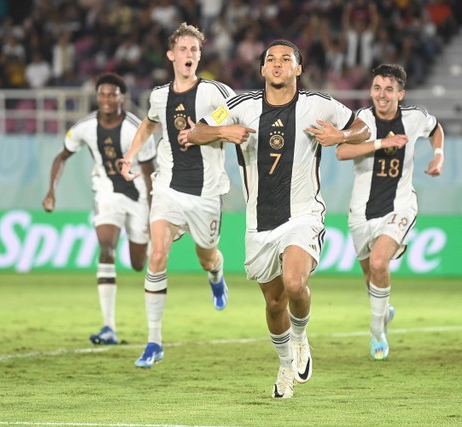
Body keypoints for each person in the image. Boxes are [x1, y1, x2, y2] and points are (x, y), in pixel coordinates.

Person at [182, 40, 370, 398]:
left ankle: (300, 340)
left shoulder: (319, 105)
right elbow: (195, 132)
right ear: (263, 70)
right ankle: (285, 364)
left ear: (298, 68)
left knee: (295, 284)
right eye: (271, 59)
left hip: (303, 215)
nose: (278, 64)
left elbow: (362, 127)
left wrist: (341, 135)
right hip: (259, 224)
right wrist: (223, 131)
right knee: (273, 303)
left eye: (286, 59)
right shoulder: (241, 106)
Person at [119, 23, 234, 369]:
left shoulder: (216, 93)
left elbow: (235, 122)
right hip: (167, 186)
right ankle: (154, 341)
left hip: (206, 194)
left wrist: (202, 133)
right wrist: (130, 155)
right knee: (157, 256)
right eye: (183, 49)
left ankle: (216, 276)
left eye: (195, 50)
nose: (189, 55)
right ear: (171, 55)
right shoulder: (159, 96)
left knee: (207, 256)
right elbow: (148, 124)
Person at [335, 63, 444, 361]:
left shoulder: (414, 118)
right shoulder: (361, 120)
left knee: (381, 262)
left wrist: (438, 155)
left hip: (400, 205)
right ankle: (382, 313)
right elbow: (341, 151)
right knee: (371, 277)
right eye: (377, 88)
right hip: (361, 211)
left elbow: (436, 130)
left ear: (400, 93)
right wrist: (382, 143)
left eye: (388, 89)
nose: (381, 95)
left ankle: (376, 331)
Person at [43, 72, 156, 346]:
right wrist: (51, 192)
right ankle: (108, 327)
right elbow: (62, 156)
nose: (106, 99)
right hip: (107, 192)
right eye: (102, 94)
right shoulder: (84, 127)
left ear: (122, 97)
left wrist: (155, 214)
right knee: (106, 248)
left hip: (139, 195)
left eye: (112, 94)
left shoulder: (136, 129)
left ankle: (147, 245)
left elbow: (150, 171)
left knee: (139, 263)